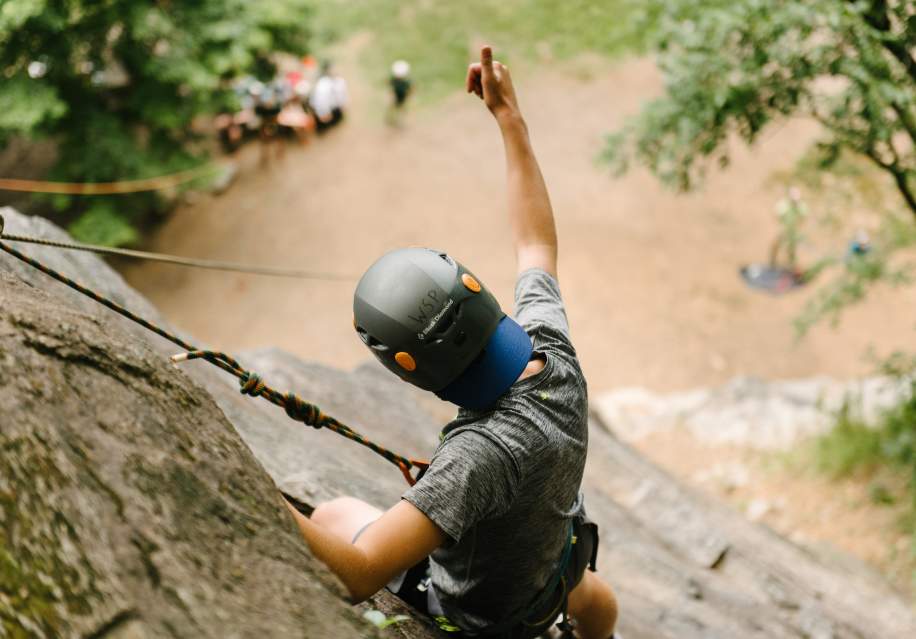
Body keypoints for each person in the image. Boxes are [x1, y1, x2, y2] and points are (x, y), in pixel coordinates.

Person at [284, 46, 619, 639]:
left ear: (409, 368)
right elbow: (536, 244)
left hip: (482, 614)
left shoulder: (475, 459)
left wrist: (248, 485)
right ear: (476, 293)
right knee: (601, 603)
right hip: (557, 574)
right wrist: (510, 118)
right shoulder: (552, 349)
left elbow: (359, 573)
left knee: (336, 514)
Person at [387, 59, 413, 126]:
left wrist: (409, 94)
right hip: (396, 95)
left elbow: (411, 88)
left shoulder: (405, 81)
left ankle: (400, 120)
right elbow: (390, 85)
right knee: (393, 106)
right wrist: (391, 92)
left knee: (401, 107)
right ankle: (391, 119)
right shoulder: (394, 80)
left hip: (403, 96)